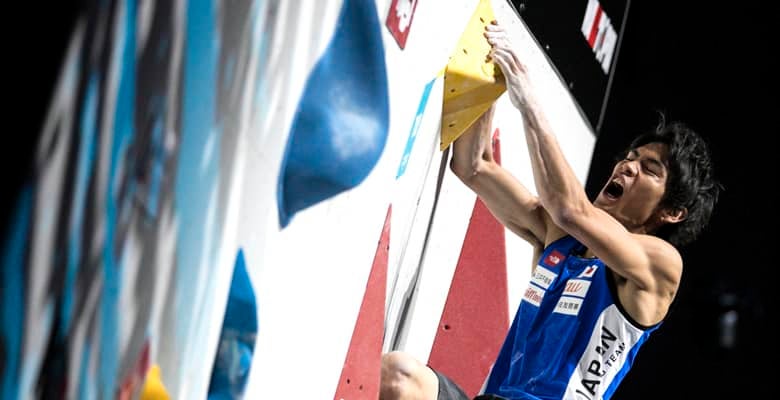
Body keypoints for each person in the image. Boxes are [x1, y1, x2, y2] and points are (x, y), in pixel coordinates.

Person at [379, 21, 720, 400]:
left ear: (672, 213)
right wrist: (488, 66)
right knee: (398, 378)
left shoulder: (660, 265)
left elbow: (571, 209)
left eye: (649, 169)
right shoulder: (562, 238)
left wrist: (530, 101)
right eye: (630, 157)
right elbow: (474, 166)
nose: (627, 166)